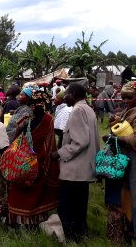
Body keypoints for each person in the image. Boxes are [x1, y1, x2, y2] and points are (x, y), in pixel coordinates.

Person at [103, 81, 136, 245]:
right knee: (118, 200)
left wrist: (115, 138)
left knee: (130, 200)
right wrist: (115, 123)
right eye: (122, 97)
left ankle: (132, 233)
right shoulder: (130, 109)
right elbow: (124, 127)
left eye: (129, 97)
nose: (124, 101)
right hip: (121, 161)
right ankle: (120, 233)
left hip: (133, 163)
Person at [51, 83, 99, 242]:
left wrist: (58, 153)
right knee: (79, 206)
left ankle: (72, 238)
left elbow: (80, 141)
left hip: (75, 170)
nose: (64, 98)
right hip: (84, 168)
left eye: (67, 94)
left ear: (74, 94)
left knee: (67, 208)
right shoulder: (88, 108)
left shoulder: (78, 110)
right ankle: (80, 235)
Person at [7, 89, 60, 227]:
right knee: (35, 190)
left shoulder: (26, 118)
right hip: (38, 161)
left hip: (22, 159)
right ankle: (34, 220)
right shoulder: (48, 120)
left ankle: (16, 219)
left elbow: (16, 137)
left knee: (19, 187)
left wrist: (14, 150)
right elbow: (50, 144)